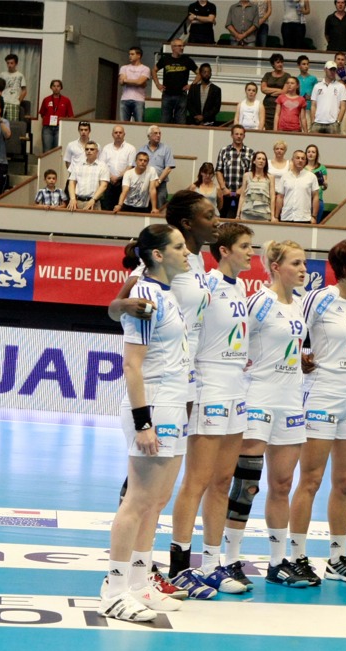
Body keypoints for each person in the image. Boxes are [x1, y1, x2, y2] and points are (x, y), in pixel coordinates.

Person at [102, 225, 194, 622]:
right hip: (152, 406)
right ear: (157, 254)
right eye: (178, 246)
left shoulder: (164, 293)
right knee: (137, 500)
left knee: (156, 502)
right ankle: (114, 587)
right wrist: (143, 423)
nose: (186, 252)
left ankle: (140, 582)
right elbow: (131, 365)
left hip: (173, 405)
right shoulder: (144, 295)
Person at [164, 221, 254, 595]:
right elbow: (190, 331)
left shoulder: (244, 286)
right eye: (246, 246)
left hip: (237, 389)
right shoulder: (208, 285)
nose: (253, 252)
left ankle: (213, 563)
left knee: (222, 482)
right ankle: (178, 566)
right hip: (210, 387)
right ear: (224, 251)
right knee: (196, 481)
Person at [220, 240, 311, 587]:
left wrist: (302, 359)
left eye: (304, 264)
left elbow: (292, 344)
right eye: (296, 263)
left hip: (290, 401)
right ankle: (230, 560)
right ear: (275, 267)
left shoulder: (301, 304)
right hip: (257, 397)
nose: (303, 270)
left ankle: (277, 562)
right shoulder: (260, 302)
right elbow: (235, 339)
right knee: (247, 485)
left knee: (282, 484)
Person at [285, 239, 346, 583]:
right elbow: (292, 331)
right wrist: (300, 358)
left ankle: (337, 557)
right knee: (310, 479)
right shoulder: (320, 298)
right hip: (322, 395)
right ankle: (297, 555)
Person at [214, 124, 255, 218]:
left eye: (241, 134)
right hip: (226, 194)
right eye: (236, 134)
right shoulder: (224, 151)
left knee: (240, 220)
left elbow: (251, 173)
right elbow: (218, 170)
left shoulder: (250, 152)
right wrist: (223, 188)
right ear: (232, 135)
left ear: (244, 136)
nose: (239, 136)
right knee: (224, 218)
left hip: (242, 195)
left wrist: (242, 189)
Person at [156, 40, 196, 126]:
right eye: (179, 46)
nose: (182, 48)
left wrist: (191, 85)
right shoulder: (165, 59)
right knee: (164, 121)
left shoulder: (187, 60)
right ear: (173, 47)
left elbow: (199, 73)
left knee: (181, 122)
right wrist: (157, 84)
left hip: (181, 95)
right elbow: (153, 70)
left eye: (182, 46)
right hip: (167, 94)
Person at [273, 149, 319, 224]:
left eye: (303, 158)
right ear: (292, 160)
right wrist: (276, 216)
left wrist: (314, 216)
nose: (300, 160)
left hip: (304, 218)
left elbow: (316, 197)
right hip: (286, 216)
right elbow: (280, 197)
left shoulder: (311, 177)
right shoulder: (285, 177)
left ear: (305, 161)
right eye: (297, 158)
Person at [98, 125, 136, 212]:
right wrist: (111, 176)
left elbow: (130, 166)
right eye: (116, 132)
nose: (118, 134)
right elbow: (102, 164)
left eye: (120, 132)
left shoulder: (131, 148)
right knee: (107, 207)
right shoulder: (106, 148)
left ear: (124, 134)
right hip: (108, 182)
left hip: (123, 182)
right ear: (112, 134)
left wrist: (118, 177)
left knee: (121, 208)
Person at [140, 125, 176, 212]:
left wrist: (158, 181)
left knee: (160, 207)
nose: (158, 135)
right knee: (144, 207)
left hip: (161, 184)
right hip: (145, 183)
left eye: (160, 133)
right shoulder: (142, 149)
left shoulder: (166, 149)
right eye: (155, 133)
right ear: (149, 136)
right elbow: (138, 167)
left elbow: (168, 168)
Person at [67, 141, 107, 211]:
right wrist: (72, 198)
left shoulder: (103, 166)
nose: (89, 151)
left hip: (94, 202)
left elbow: (103, 185)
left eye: (92, 149)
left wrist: (93, 199)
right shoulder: (78, 165)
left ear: (97, 151)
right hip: (77, 202)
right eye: (87, 149)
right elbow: (71, 183)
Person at [238, 150, 274, 221]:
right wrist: (237, 215)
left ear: (266, 163)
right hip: (247, 212)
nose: (261, 161)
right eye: (259, 158)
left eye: (263, 159)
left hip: (264, 213)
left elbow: (272, 198)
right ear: (254, 161)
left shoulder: (270, 177)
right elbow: (242, 196)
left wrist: (273, 216)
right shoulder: (246, 175)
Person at [38, 79, 73, 153]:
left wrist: (62, 119)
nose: (56, 88)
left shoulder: (66, 100)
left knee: (57, 150)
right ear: (51, 87)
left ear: (61, 88)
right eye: (54, 86)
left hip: (59, 128)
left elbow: (71, 116)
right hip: (47, 128)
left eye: (58, 86)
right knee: (47, 150)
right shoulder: (46, 100)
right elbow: (42, 114)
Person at [118, 47, 150, 124]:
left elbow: (139, 82)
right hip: (125, 99)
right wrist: (136, 82)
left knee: (139, 123)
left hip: (138, 100)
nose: (130, 56)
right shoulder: (124, 67)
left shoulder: (145, 69)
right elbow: (121, 82)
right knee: (123, 124)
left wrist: (126, 80)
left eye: (132, 54)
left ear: (139, 55)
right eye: (129, 54)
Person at [0, 54, 26, 122]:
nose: (9, 65)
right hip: (3, 102)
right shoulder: (2, 74)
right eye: (8, 63)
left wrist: (18, 101)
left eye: (11, 63)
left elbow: (24, 90)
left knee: (12, 124)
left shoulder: (20, 75)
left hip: (14, 103)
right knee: (0, 122)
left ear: (16, 63)